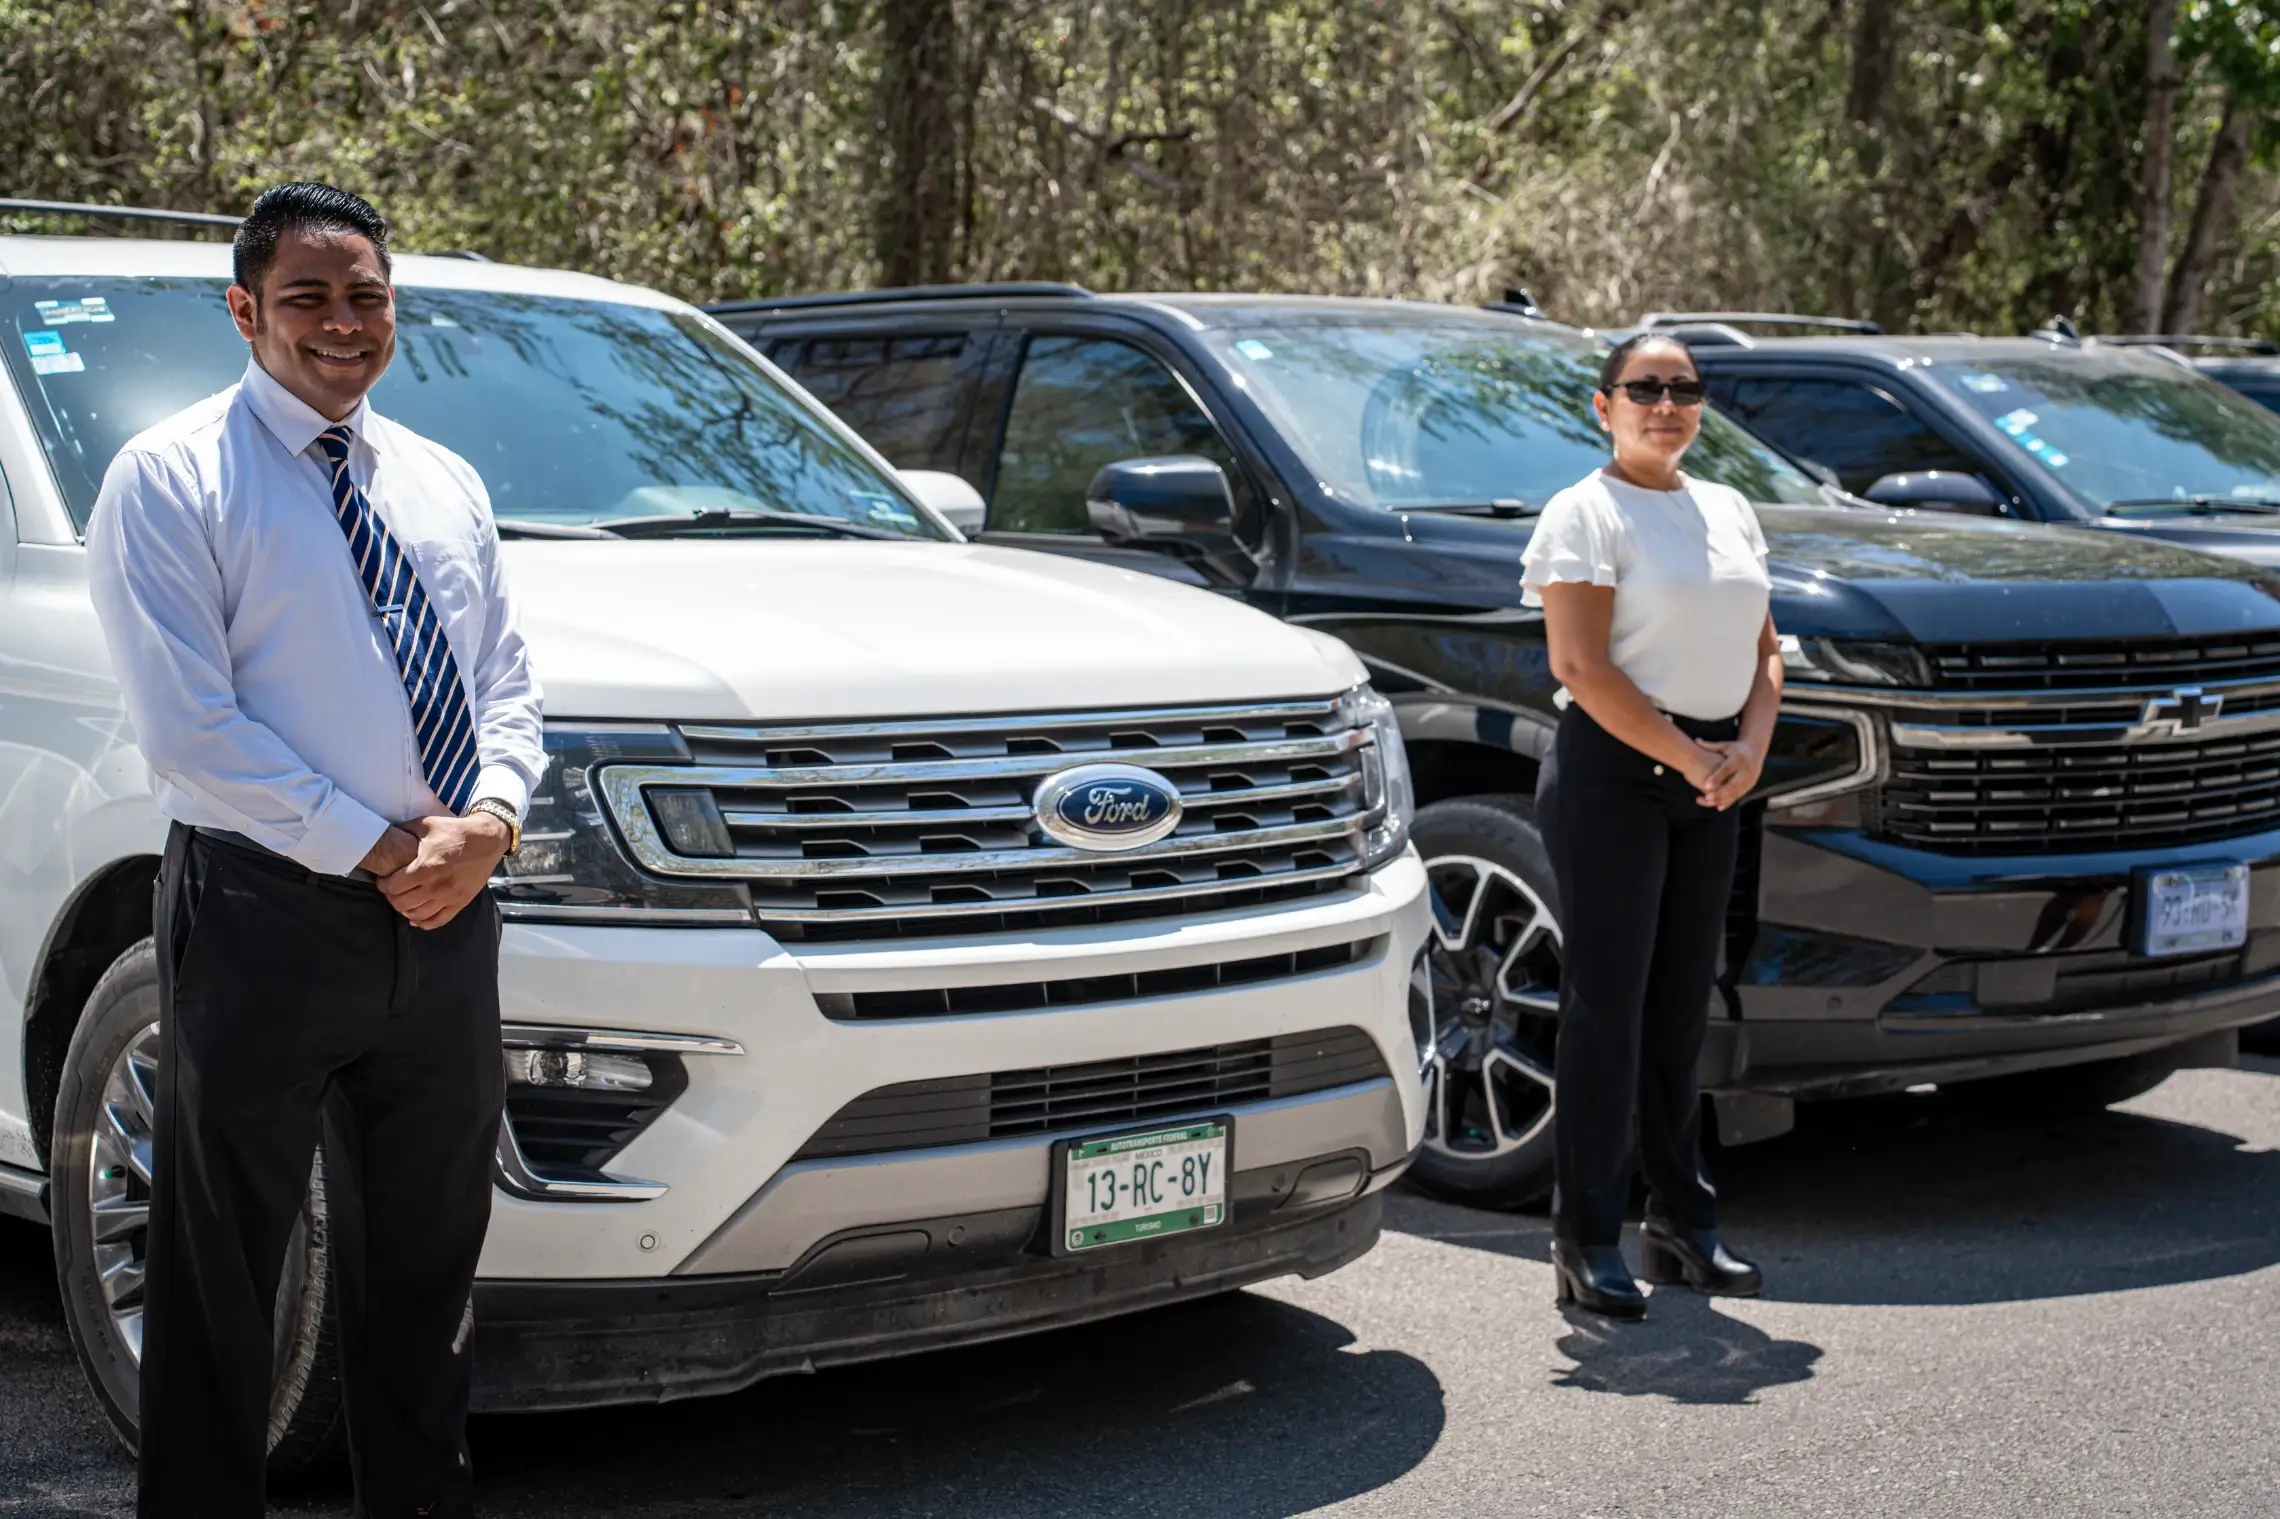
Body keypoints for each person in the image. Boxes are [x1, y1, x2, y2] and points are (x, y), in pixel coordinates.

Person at [86, 182, 542, 1516]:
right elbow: (190, 730)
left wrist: (490, 822)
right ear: (245, 311)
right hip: (264, 914)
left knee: (427, 1277)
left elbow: (506, 681)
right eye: (308, 297)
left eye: (367, 297)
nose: (343, 323)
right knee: (220, 1276)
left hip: (447, 918)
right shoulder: (171, 476)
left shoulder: (443, 480)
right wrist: (381, 846)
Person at [1518, 333, 1779, 1320]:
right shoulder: (1584, 512)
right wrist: (1691, 755)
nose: (1666, 404)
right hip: (1615, 776)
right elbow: (1580, 667)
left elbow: (1765, 649)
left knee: (1680, 1009)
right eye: (1644, 388)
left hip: (1712, 778)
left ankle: (1683, 1223)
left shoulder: (1729, 507)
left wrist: (1749, 749)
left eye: (1684, 389)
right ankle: (1587, 1238)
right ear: (1604, 405)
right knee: (1607, 1010)